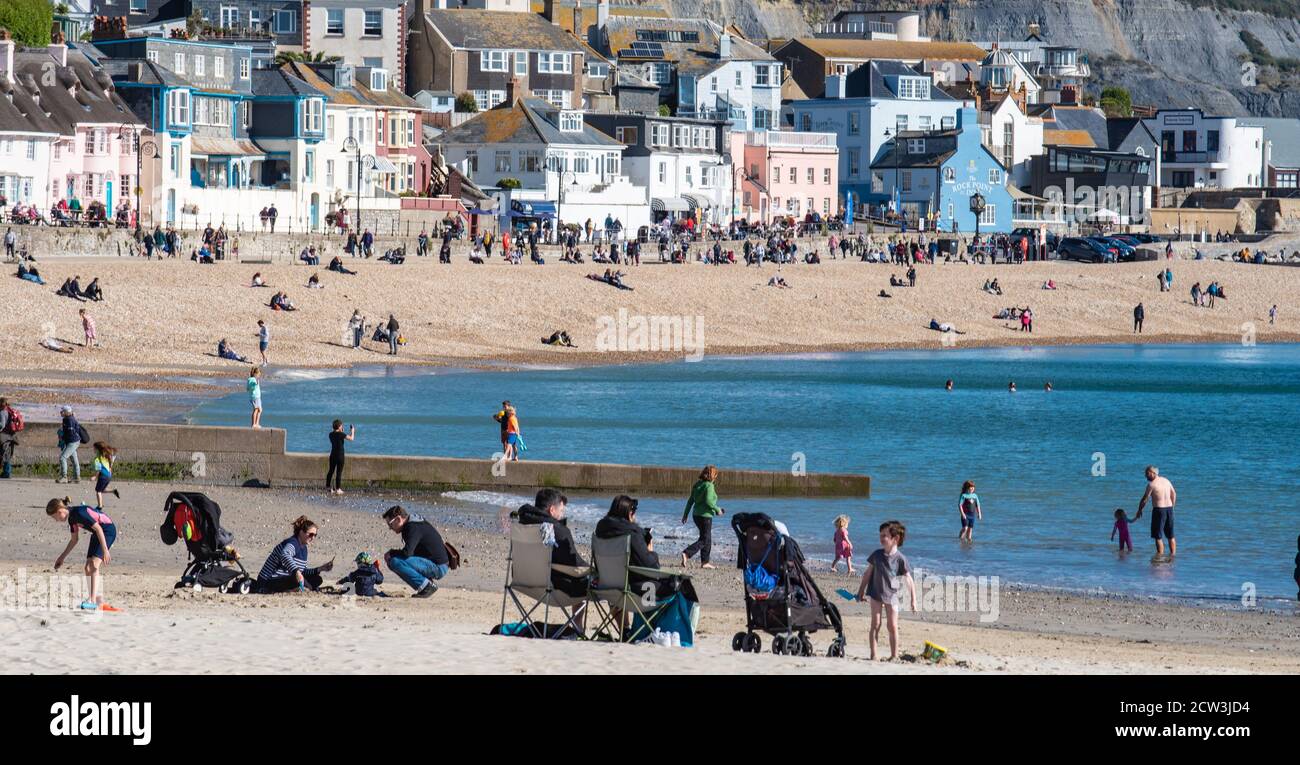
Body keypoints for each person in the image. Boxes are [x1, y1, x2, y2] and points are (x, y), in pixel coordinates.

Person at [854, 520, 916, 661]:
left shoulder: (900, 559)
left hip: (893, 596)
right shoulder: (876, 555)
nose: (881, 538)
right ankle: (873, 655)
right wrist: (860, 591)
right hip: (876, 594)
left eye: (885, 536)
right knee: (875, 624)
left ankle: (894, 655)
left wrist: (913, 600)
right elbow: (867, 574)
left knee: (892, 626)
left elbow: (909, 579)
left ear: (895, 539)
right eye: (880, 535)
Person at [515, 488, 588, 598]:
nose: (562, 515)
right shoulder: (557, 530)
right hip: (550, 585)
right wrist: (592, 569)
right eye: (561, 511)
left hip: (521, 578)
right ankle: (576, 616)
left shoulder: (520, 524)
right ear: (552, 510)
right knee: (584, 579)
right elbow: (575, 565)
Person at [47, 497, 117, 609]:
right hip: (96, 534)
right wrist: (61, 558)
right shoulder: (71, 519)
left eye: (54, 517)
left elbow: (99, 528)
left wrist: (105, 550)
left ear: (60, 511)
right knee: (87, 567)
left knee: (94, 565)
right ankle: (93, 598)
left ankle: (93, 601)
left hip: (107, 531)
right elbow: (74, 540)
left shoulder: (79, 513)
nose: (56, 520)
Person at [382, 505, 450, 597]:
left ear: (398, 519)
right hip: (435, 563)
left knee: (394, 561)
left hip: (438, 567)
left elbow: (407, 553)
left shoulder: (412, 527)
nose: (390, 528)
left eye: (390, 524)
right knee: (396, 559)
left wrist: (391, 553)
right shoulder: (413, 523)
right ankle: (426, 582)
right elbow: (412, 552)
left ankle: (426, 587)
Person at [255, 515, 334, 593]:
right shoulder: (292, 543)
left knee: (317, 579)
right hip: (269, 580)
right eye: (310, 534)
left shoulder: (304, 549)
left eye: (315, 535)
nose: (312, 538)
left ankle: (300, 588)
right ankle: (297, 589)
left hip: (286, 578)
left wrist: (321, 568)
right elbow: (285, 555)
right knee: (296, 579)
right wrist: (296, 571)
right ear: (301, 532)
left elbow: (303, 571)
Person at [680, 465, 724, 569]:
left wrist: (685, 515)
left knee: (706, 538)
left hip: (696, 515)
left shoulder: (697, 485)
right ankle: (687, 553)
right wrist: (717, 509)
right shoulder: (709, 486)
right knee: (705, 539)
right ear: (712, 475)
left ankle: (705, 562)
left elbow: (690, 501)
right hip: (705, 517)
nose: (716, 478)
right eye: (715, 475)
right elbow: (709, 501)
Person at [1137, 465, 1177, 560]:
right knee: (1170, 535)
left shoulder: (1152, 485)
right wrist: (1172, 507)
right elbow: (1174, 494)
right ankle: (1173, 557)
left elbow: (1145, 499)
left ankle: (1159, 557)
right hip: (1169, 509)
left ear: (1152, 473)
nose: (1145, 476)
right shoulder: (1166, 480)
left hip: (1159, 511)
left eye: (1147, 474)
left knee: (1158, 536)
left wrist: (1139, 510)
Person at [326, 419, 355, 495]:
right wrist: (353, 430)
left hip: (332, 455)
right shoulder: (341, 434)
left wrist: (341, 431)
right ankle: (338, 489)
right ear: (339, 426)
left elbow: (336, 435)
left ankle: (328, 487)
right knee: (339, 472)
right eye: (341, 425)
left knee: (331, 471)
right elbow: (351, 438)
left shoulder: (330, 434)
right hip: (340, 455)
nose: (342, 426)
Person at [57, 405, 84, 483]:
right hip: (71, 442)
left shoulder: (70, 420)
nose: (61, 412)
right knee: (74, 459)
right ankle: (77, 477)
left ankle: (64, 477)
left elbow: (71, 432)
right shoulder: (66, 419)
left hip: (73, 442)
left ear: (66, 412)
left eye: (62, 411)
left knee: (63, 457)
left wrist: (63, 437)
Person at [91, 442, 121, 509]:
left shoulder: (97, 458)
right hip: (109, 476)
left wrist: (95, 477)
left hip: (103, 476)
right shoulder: (106, 456)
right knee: (102, 489)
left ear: (97, 449)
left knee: (98, 491)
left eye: (94, 448)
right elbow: (110, 466)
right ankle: (113, 491)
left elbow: (98, 469)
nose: (93, 450)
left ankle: (100, 506)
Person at [0, 397, 20, 479]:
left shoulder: (2, 412)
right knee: (8, 454)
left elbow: (2, 425)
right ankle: (7, 472)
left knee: (4, 454)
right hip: (12, 436)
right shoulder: (10, 411)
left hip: (5, 436)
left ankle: (6, 473)